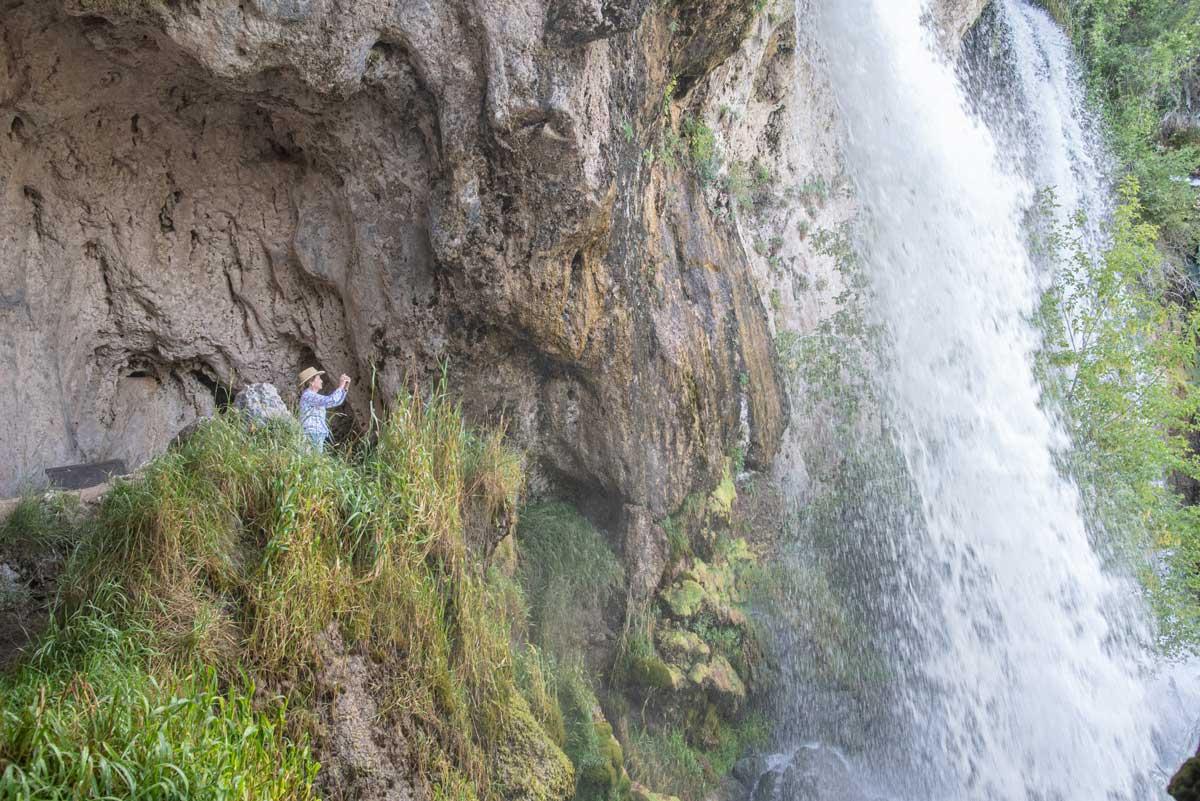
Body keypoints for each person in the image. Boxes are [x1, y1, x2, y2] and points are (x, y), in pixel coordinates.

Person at [298, 367, 350, 453]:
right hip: (312, 433)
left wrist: (345, 388)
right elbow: (331, 400)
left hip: (315, 433)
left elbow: (335, 402)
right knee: (314, 461)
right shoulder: (308, 395)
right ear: (311, 382)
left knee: (314, 461)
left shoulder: (312, 396)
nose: (321, 381)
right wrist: (340, 386)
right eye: (319, 378)